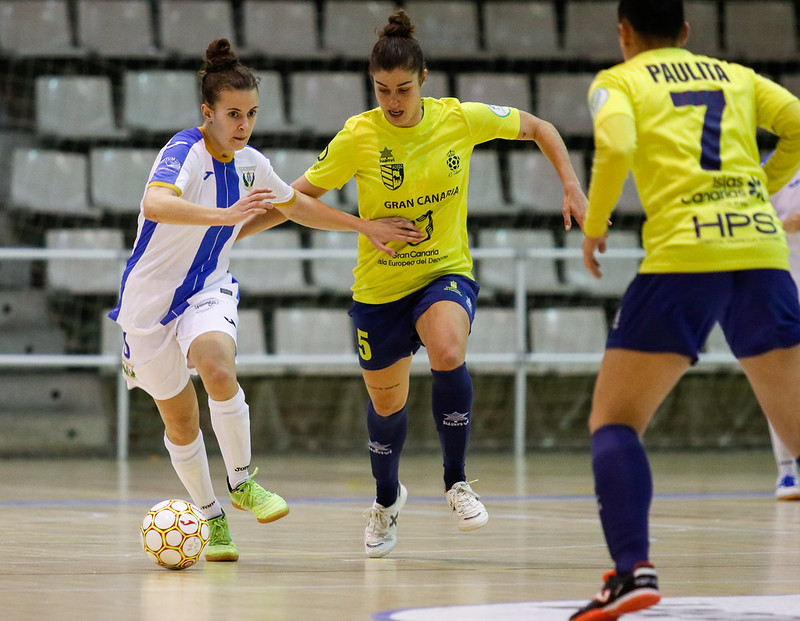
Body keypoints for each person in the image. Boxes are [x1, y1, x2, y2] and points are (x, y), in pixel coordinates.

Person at [245, 8, 586, 559]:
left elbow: (539, 128)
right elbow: (295, 198)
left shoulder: (459, 119)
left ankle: (456, 482)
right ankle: (386, 500)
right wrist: (229, 235)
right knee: (386, 406)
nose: (393, 100)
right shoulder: (359, 135)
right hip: (379, 291)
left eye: (403, 88)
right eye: (382, 90)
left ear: (423, 81)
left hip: (442, 271)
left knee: (448, 347)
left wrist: (572, 186)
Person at [109, 39, 423, 563]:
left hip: (207, 288)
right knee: (181, 423)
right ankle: (210, 519)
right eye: (233, 114)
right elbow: (155, 202)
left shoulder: (252, 163)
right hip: (146, 306)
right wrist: (226, 216)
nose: (243, 124)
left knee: (216, 364)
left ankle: (242, 482)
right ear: (207, 113)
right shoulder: (183, 150)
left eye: (251, 113)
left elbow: (296, 204)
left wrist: (364, 226)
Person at [573, 0, 800, 618]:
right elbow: (799, 122)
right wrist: (759, 172)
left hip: (685, 256)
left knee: (614, 421)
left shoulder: (619, 81)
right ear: (687, 32)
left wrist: (595, 225)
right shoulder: (736, 75)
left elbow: (616, 145)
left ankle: (632, 572)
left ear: (624, 33)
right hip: (760, 249)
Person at [767, 164, 800, 500]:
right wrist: (784, 224)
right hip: (785, 286)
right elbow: (751, 221)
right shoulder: (777, 168)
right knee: (782, 380)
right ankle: (787, 471)